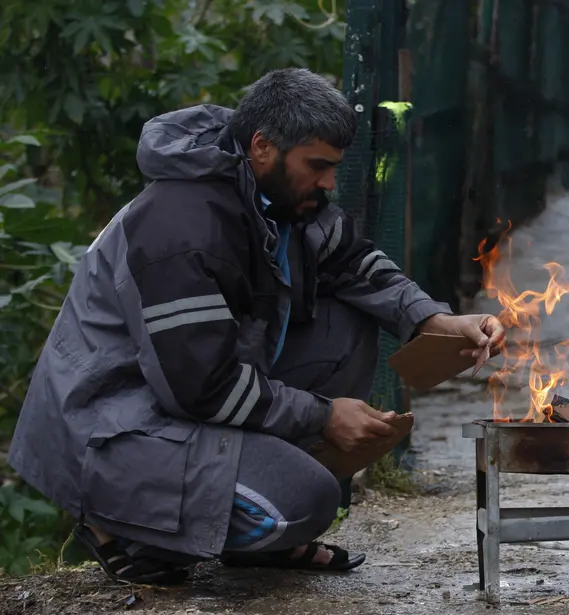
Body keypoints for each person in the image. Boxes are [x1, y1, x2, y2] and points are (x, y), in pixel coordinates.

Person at [8, 69, 505, 585]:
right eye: (318, 166)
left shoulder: (274, 193)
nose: (330, 182)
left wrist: (438, 320)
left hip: (179, 397)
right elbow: (204, 388)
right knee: (306, 499)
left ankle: (245, 521)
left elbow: (352, 262)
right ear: (263, 146)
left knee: (354, 316)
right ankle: (123, 526)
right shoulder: (181, 228)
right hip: (109, 423)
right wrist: (322, 415)